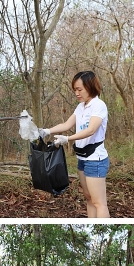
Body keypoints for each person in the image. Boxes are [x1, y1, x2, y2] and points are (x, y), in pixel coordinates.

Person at [38, 71, 110, 218]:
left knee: (99, 202)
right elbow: (66, 124)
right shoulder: (81, 107)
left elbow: (91, 130)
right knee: (89, 198)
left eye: (80, 89)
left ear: (90, 87)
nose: (77, 93)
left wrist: (68, 139)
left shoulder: (98, 105)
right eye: (75, 90)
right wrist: (46, 131)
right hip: (82, 159)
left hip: (95, 159)